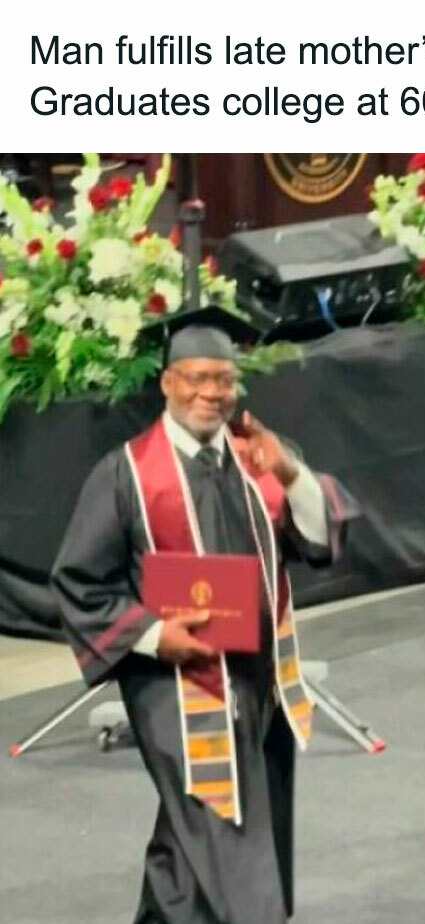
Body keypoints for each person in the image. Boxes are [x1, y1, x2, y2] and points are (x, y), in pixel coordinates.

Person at [51, 307, 358, 923]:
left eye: (223, 379)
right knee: (228, 833)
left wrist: (290, 472)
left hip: (261, 679)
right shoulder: (127, 474)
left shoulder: (260, 457)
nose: (210, 393)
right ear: (168, 382)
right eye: (196, 378)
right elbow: (80, 580)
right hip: (177, 685)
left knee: (193, 842)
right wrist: (154, 635)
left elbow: (319, 540)